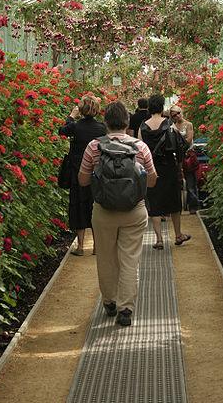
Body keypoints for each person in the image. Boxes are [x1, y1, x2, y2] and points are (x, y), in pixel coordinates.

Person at [78, 101, 157, 327]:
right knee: (130, 259)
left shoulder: (94, 147)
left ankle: (109, 302)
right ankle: (126, 309)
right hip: (134, 211)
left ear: (105, 122)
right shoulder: (140, 147)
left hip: (103, 211)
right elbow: (152, 181)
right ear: (126, 121)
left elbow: (82, 180)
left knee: (106, 258)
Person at [139, 94, 191, 249]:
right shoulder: (169, 124)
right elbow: (180, 146)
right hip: (169, 166)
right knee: (174, 201)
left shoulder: (143, 126)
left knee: (154, 203)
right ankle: (178, 235)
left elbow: (140, 148)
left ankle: (159, 239)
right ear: (162, 108)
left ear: (149, 108)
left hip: (151, 168)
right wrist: (180, 166)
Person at [58, 95, 106, 255]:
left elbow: (62, 131)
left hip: (77, 172)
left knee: (78, 205)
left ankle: (80, 247)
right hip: (96, 173)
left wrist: (71, 116)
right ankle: (97, 246)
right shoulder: (101, 128)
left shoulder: (75, 126)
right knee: (95, 206)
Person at [169, 104, 199, 214]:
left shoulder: (188, 125)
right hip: (177, 157)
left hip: (187, 157)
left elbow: (189, 139)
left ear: (181, 112)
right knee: (177, 184)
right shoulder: (172, 126)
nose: (177, 116)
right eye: (174, 115)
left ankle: (193, 206)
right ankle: (178, 208)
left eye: (178, 113)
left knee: (191, 184)